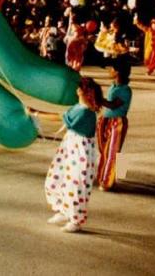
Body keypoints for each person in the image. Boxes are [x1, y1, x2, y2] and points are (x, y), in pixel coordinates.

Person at [36, 77, 103, 233]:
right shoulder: (79, 107)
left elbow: (60, 118)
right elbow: (63, 115)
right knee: (57, 178)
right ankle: (63, 211)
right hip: (70, 149)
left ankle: (76, 220)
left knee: (76, 184)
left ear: (83, 91)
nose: (76, 90)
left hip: (80, 152)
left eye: (79, 88)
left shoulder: (86, 113)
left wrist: (37, 112)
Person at [97, 63, 132, 190]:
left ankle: (107, 182)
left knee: (113, 151)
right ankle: (119, 174)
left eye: (111, 68)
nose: (109, 70)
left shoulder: (125, 90)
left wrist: (96, 98)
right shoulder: (114, 85)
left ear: (117, 72)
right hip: (107, 120)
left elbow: (113, 105)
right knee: (105, 150)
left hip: (118, 122)